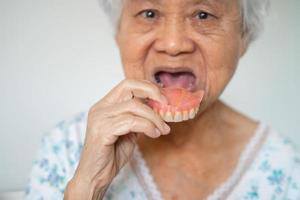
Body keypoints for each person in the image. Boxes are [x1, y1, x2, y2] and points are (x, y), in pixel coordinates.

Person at [25, 0, 300, 199]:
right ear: (119, 33)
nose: (173, 43)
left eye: (203, 15)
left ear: (244, 37)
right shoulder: (63, 149)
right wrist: (87, 188)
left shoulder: (287, 170)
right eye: (149, 12)